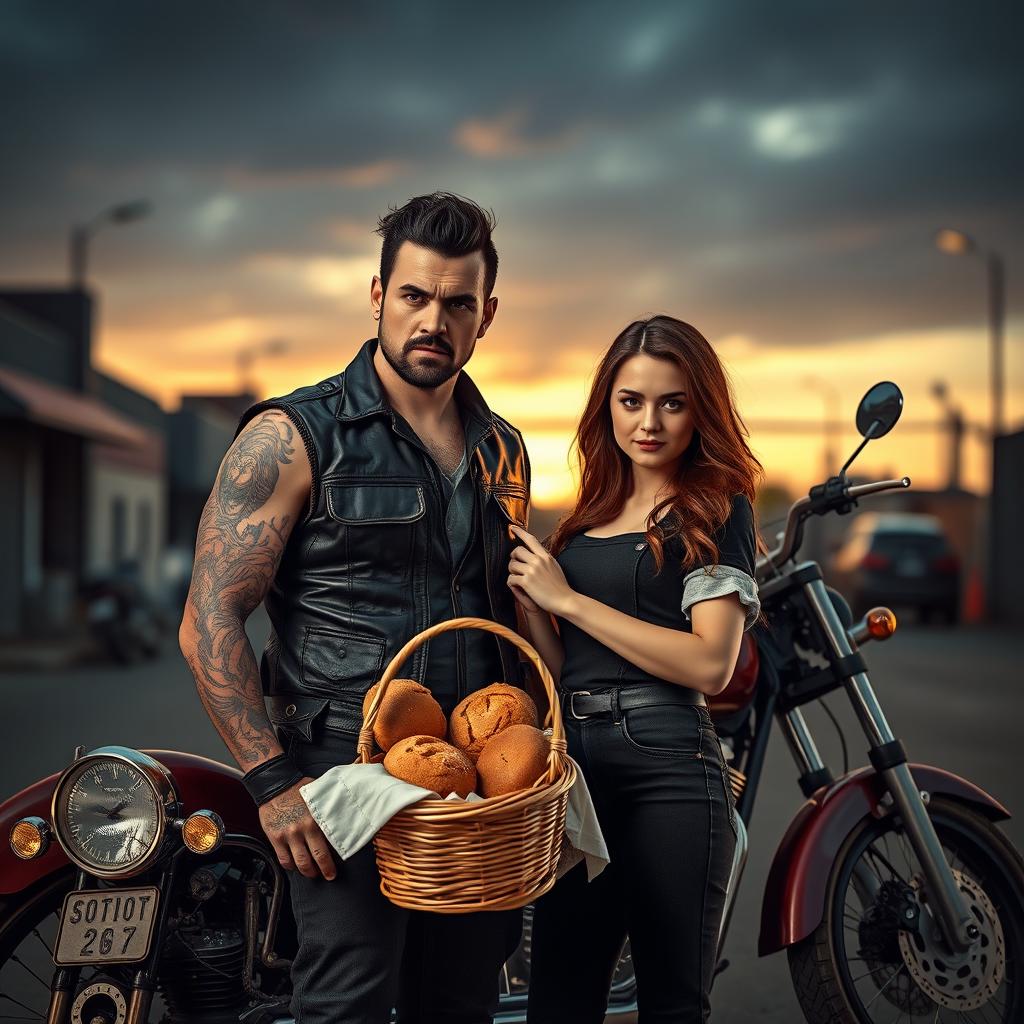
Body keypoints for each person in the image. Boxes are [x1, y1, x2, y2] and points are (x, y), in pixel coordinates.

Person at [179, 193, 530, 1024]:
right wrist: (272, 783)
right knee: (349, 1008)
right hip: (341, 771)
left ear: (488, 315)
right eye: (414, 296)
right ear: (377, 296)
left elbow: (516, 608)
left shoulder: (502, 448)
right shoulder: (294, 435)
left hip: (475, 782)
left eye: (457, 304)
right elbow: (209, 621)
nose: (433, 320)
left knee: (461, 1007)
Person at [507, 315, 762, 1024]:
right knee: (557, 1001)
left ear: (698, 408)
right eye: (631, 401)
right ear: (606, 406)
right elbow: (564, 670)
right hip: (575, 773)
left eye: (671, 402)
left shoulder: (714, 509)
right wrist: (535, 608)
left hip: (669, 769)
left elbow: (712, 664)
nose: (648, 421)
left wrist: (569, 600)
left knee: (671, 1006)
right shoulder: (586, 517)